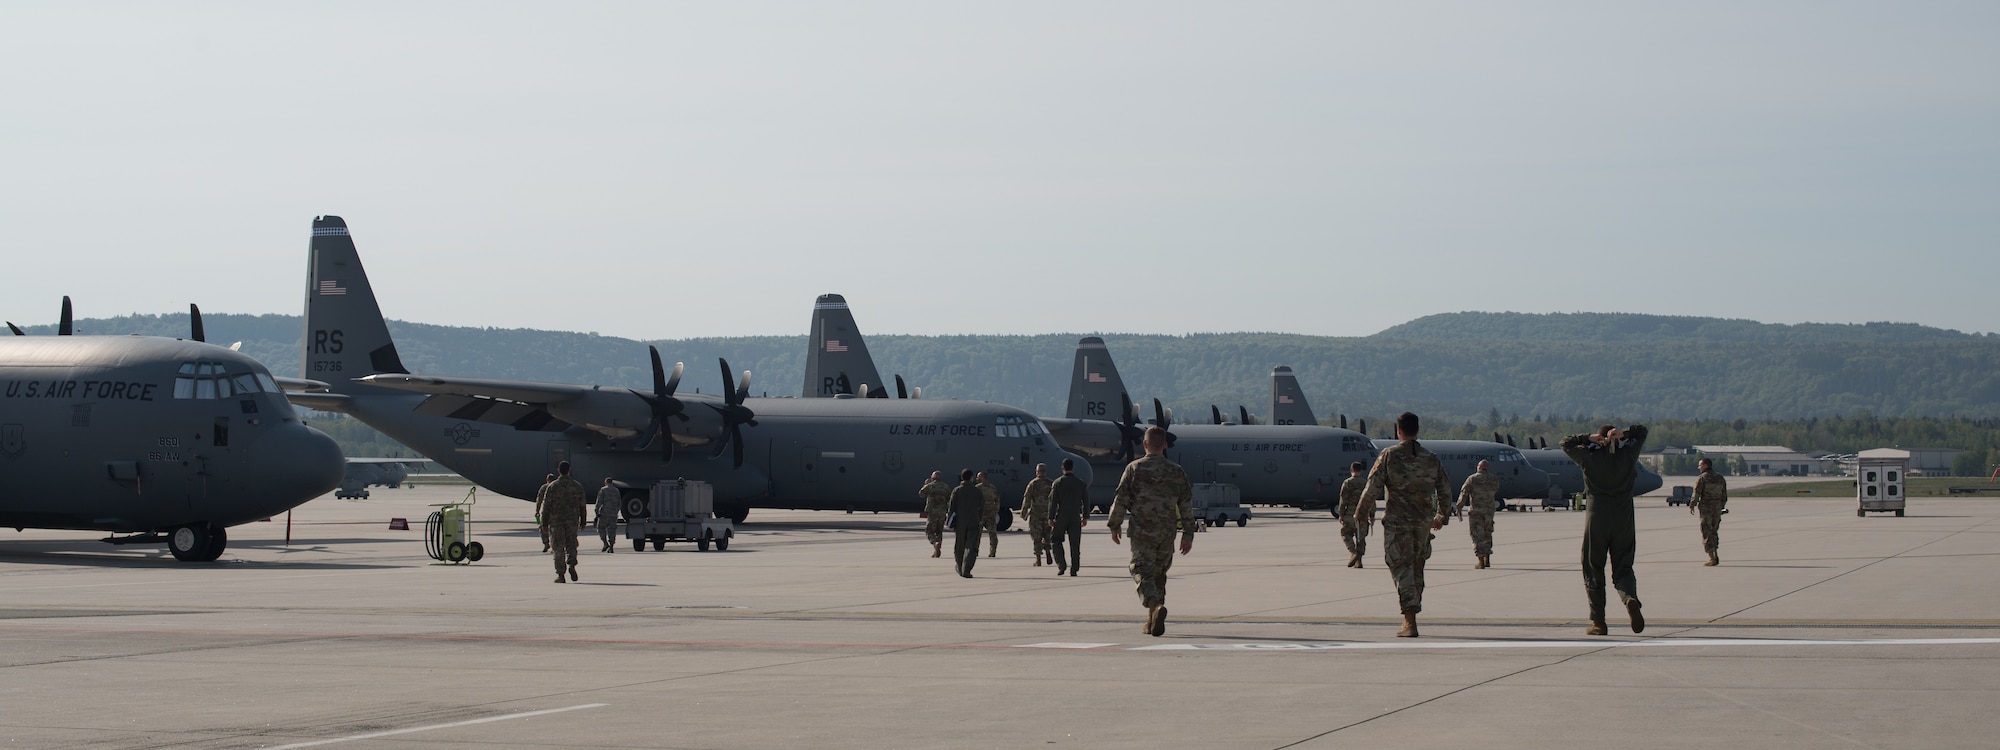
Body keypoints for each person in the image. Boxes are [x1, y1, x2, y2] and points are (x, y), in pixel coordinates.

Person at [1359, 412, 1451, 637]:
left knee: (1401, 568)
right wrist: (1442, 516)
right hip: (1422, 524)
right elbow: (1445, 490)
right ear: (1417, 430)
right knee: (1417, 567)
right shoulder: (1431, 458)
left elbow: (1372, 487)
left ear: (1398, 431)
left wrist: (1361, 513)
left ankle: (1409, 620)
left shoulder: (1389, 455)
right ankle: (1412, 613)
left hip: (1398, 524)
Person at [1108, 426, 1200, 637]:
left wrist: (1115, 525)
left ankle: (1155, 606)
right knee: (1159, 575)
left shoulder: (1134, 468)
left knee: (1140, 570)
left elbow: (1121, 498)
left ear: (1145, 444)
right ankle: (1152, 620)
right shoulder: (1176, 471)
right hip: (1167, 531)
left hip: (1142, 530)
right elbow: (1186, 505)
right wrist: (1188, 534)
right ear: (1165, 445)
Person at [1562, 424, 1651, 635]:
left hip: (1597, 516)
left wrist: (1588, 437)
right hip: (1623, 517)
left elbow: (1565, 442)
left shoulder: (1588, 457)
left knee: (1593, 568)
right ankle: (1629, 598)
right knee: (1624, 567)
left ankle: (1599, 622)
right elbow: (1642, 431)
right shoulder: (1628, 455)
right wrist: (1624, 434)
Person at [539, 461, 588, 583]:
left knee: (558, 547)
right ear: (569, 470)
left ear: (559, 471)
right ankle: (572, 564)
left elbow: (546, 506)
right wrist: (583, 521)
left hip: (557, 522)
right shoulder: (577, 486)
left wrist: (544, 523)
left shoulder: (552, 486)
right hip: (572, 521)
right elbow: (582, 506)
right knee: (572, 544)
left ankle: (561, 574)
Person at [1047, 458, 1089, 576]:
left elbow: (1053, 502)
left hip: (1061, 516)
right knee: (1075, 543)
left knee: (1055, 540)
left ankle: (1062, 565)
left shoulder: (1058, 483)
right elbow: (1086, 501)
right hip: (1075, 516)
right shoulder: (1080, 483)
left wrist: (1050, 517)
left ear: (1062, 468)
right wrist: (1085, 516)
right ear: (1073, 468)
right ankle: (1074, 569)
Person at [1456, 459, 1501, 569]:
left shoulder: (1472, 479)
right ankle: (1487, 559)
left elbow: (1464, 494)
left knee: (1477, 535)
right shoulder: (1494, 479)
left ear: (1479, 467)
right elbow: (1496, 489)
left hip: (1476, 511)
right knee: (1488, 533)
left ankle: (1480, 561)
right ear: (1487, 468)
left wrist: (1459, 507)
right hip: (1489, 511)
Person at [948, 469, 985, 577]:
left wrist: (950, 523)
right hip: (973, 521)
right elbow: (982, 507)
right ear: (971, 477)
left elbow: (951, 508)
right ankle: (967, 569)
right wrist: (979, 519)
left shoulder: (957, 490)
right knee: (971, 546)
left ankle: (960, 567)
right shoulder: (977, 491)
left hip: (960, 523)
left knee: (959, 546)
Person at [1692, 457, 1728, 566]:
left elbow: (1696, 493)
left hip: (1706, 509)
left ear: (1706, 465)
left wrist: (1692, 505)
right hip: (1717, 508)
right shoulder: (1720, 478)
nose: (1699, 467)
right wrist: (1721, 506)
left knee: (1706, 532)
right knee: (1713, 532)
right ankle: (1715, 554)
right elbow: (1724, 495)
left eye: (1700, 465)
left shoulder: (1702, 478)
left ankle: (1712, 557)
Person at [1337, 461, 1372, 568]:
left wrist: (1341, 514)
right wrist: (1372, 514)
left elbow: (1343, 500)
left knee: (1345, 534)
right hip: (1362, 514)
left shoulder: (1347, 483)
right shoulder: (1366, 483)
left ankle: (1353, 552)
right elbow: (1370, 499)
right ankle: (1359, 560)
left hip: (1350, 514)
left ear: (1351, 470)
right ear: (1361, 471)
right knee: (1360, 538)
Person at [1020, 464, 1054, 566]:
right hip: (1048, 513)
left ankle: (1038, 558)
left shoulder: (1033, 483)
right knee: (1047, 534)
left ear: (1037, 472)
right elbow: (1055, 499)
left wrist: (1024, 513)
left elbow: (1027, 499)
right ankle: (1048, 551)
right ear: (1045, 471)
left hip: (1036, 514)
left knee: (1036, 536)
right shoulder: (1051, 483)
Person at [918, 470, 952, 558]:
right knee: (939, 531)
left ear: (933, 477)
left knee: (929, 530)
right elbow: (949, 498)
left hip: (932, 512)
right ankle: (937, 548)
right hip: (942, 512)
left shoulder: (930, 486)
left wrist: (926, 484)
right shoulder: (945, 487)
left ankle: (934, 542)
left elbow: (921, 494)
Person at [977, 471, 1001, 557]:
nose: (977, 479)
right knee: (992, 534)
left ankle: (975, 551)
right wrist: (995, 511)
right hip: (991, 514)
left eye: (978, 477)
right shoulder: (992, 488)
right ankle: (993, 551)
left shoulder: (977, 488)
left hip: (980, 515)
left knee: (977, 535)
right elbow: (997, 500)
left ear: (982, 477)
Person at [594, 477, 620, 554]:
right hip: (613, 514)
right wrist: (616, 512)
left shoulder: (603, 490)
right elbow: (619, 503)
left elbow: (599, 502)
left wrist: (597, 512)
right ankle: (611, 546)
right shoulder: (616, 491)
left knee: (600, 528)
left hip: (604, 514)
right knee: (612, 530)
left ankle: (605, 543)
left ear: (605, 482)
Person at [532, 473, 555, 553]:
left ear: (547, 480)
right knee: (554, 529)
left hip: (546, 511)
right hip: (556, 512)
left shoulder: (544, 487)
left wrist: (537, 511)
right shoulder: (556, 487)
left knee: (542, 528)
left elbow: (539, 500)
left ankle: (546, 543)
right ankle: (553, 546)